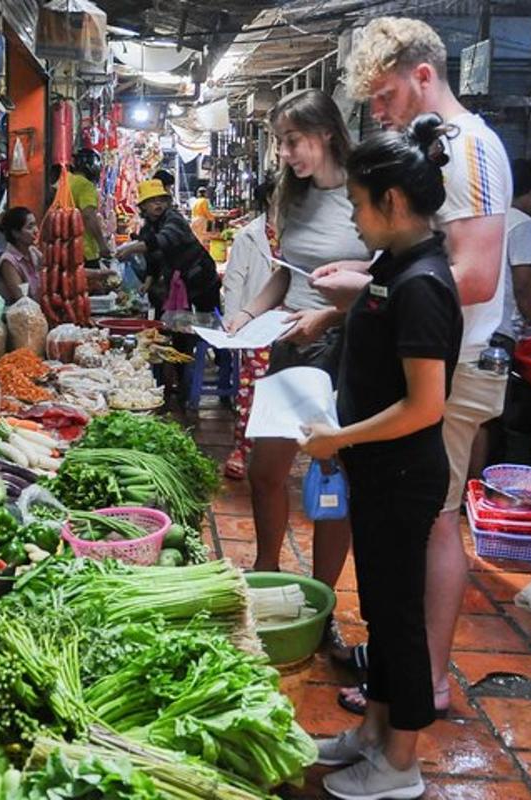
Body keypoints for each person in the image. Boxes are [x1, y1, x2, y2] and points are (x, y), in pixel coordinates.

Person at [314, 17, 511, 720]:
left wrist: (371, 291)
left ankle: (419, 687)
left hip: (450, 368)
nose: (380, 112)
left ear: (423, 75)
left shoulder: (473, 150)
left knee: (431, 522)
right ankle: (402, 681)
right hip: (424, 359)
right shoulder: (435, 154)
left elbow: (477, 275)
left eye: (387, 95)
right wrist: (363, 284)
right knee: (407, 537)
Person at [300, 114, 462, 800]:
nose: (356, 221)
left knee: (398, 618)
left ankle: (401, 763)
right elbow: (369, 305)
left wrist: (340, 439)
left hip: (402, 474)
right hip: (378, 468)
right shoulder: (395, 265)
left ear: (392, 203)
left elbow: (426, 406)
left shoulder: (425, 283)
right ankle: (372, 730)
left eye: (360, 206)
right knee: (379, 606)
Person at [226, 88, 371, 592]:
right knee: (265, 471)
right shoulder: (291, 195)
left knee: (332, 481)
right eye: (280, 143)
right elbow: (285, 276)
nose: (285, 155)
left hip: (348, 352)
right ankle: (266, 571)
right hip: (292, 347)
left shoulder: (365, 192)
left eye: (293, 141)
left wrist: (328, 317)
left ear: (327, 133)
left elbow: (386, 280)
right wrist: (245, 314)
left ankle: (322, 595)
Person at [470, 159, 531, 471]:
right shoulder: (522, 223)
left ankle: (467, 493)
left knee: (472, 413)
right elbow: (524, 287)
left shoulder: (488, 216)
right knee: (490, 417)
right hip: (498, 332)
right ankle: (478, 491)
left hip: (472, 327)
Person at [221, 180, 277, 479]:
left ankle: (277, 453)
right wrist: (233, 322)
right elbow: (234, 280)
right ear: (269, 197)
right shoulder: (250, 235)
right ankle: (241, 449)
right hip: (257, 324)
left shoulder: (302, 232)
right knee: (252, 388)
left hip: (297, 324)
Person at [117, 178, 220, 314]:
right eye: (152, 200)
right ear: (143, 206)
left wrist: (130, 249)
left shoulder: (173, 218)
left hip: (202, 277)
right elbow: (152, 260)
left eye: (161, 199)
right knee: (181, 324)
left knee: (207, 321)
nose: (158, 203)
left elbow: (163, 240)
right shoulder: (147, 228)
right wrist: (147, 283)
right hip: (182, 281)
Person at [68, 148, 113, 268]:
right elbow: (88, 216)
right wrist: (102, 244)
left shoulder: (67, 180)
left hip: (67, 247)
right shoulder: (85, 185)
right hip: (84, 250)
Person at [0, 206, 44, 304]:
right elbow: (21, 299)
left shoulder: (34, 253)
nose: (36, 231)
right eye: (30, 227)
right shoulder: (8, 261)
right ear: (16, 233)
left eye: (35, 225)